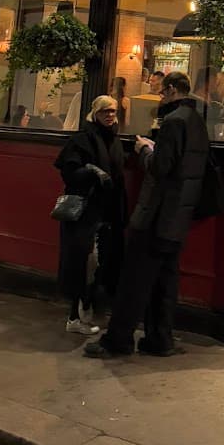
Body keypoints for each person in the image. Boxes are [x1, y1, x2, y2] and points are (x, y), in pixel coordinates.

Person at [84, 71, 209, 358]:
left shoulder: (174, 122)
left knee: (135, 280)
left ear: (175, 89)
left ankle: (118, 340)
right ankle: (160, 339)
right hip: (179, 215)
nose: (161, 96)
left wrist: (144, 149)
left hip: (156, 213)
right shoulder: (197, 121)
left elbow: (161, 167)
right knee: (165, 280)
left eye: (164, 91)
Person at [54, 95, 127, 335]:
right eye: (105, 111)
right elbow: (70, 172)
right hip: (85, 213)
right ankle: (75, 317)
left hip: (105, 214)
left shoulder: (113, 141)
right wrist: (93, 172)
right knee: (83, 263)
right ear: (94, 113)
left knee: (95, 265)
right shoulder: (82, 140)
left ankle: (85, 313)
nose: (110, 115)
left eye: (113, 111)